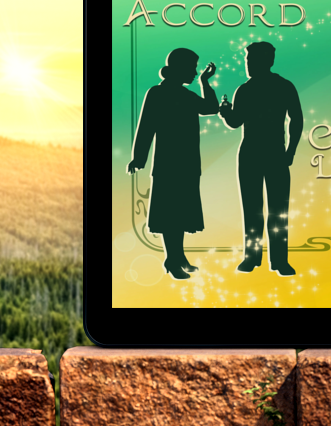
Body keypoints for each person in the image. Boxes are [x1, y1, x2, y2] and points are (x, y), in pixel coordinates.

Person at [127, 48, 219, 279]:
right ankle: (172, 259)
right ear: (180, 68)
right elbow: (145, 127)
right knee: (170, 214)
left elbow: (211, 108)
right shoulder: (157, 93)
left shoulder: (187, 96)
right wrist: (139, 157)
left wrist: (204, 82)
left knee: (181, 212)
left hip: (188, 164)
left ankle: (178, 257)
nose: (195, 71)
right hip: (168, 164)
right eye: (193, 67)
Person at [219, 42, 302, 275]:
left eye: (252, 60)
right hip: (261, 154)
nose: (248, 64)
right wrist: (226, 112)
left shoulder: (258, 88)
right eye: (248, 60)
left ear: (267, 61)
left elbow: (297, 119)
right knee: (260, 210)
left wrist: (291, 151)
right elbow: (236, 121)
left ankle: (270, 260)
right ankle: (260, 258)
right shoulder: (253, 88)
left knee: (273, 210)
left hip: (266, 153)